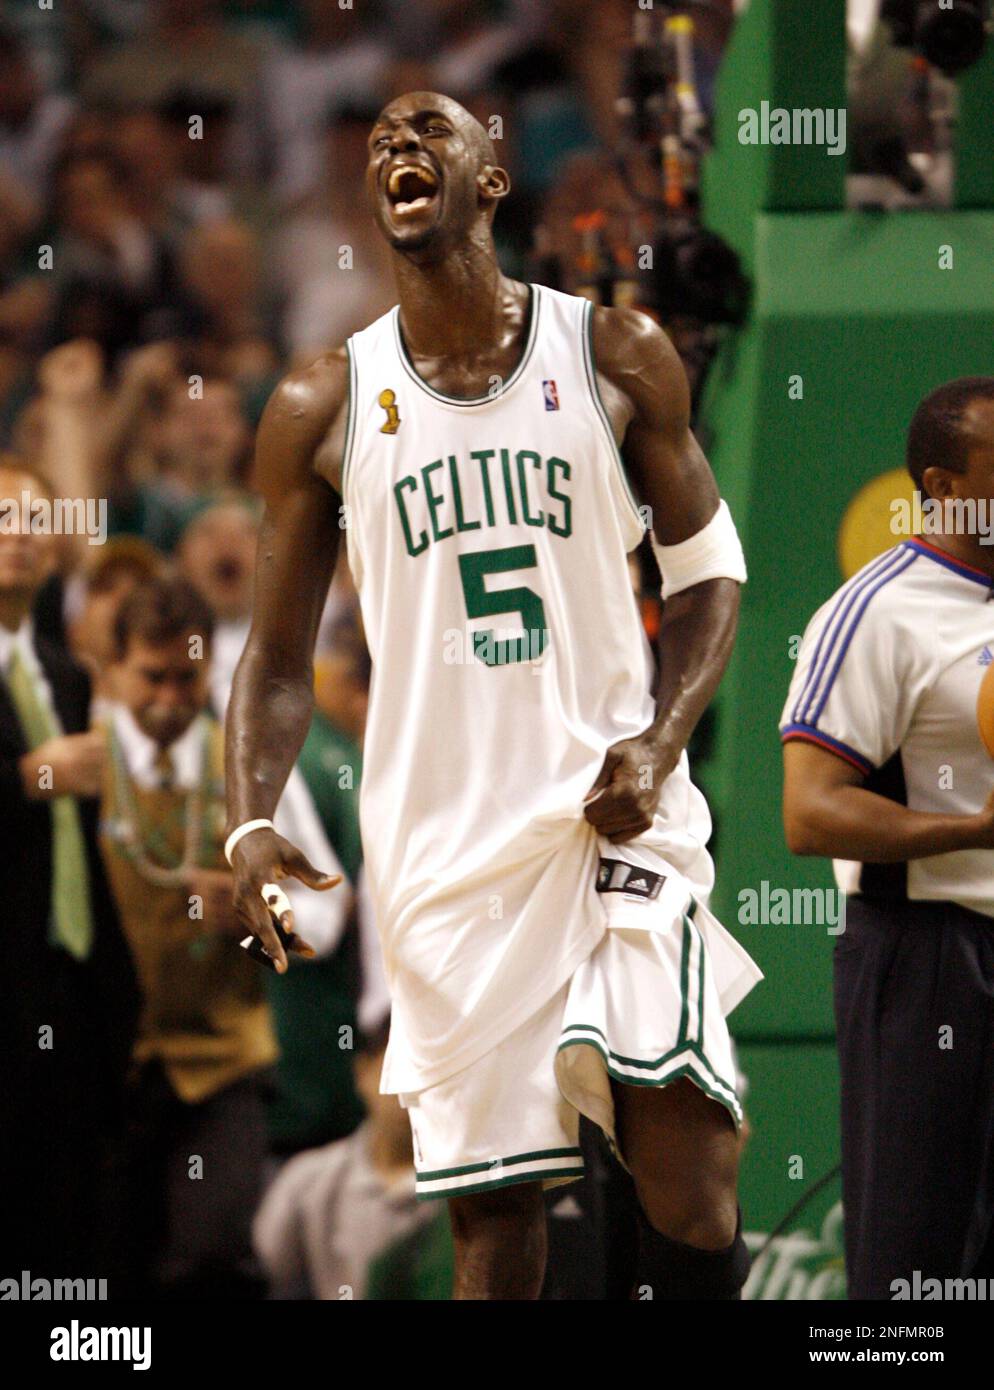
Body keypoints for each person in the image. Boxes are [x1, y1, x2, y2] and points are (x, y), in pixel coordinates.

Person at [225, 91, 760, 1301]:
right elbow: (268, 660)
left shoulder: (611, 352)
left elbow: (710, 572)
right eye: (380, 143)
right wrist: (251, 818)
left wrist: (659, 740)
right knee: (496, 1229)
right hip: (444, 861)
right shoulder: (323, 403)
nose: (400, 147)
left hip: (604, 816)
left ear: (492, 179)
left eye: (430, 129)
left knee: (687, 1168)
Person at [781, 377, 994, 1300]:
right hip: (931, 955)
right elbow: (811, 811)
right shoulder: (878, 610)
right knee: (913, 1268)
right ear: (946, 485)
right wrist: (980, 830)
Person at [98, 575, 291, 1298]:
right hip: (109, 1067)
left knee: (210, 1261)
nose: (172, 698)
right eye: (152, 678)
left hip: (224, 1062)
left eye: (188, 677)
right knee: (105, 1268)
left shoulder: (247, 766)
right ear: (111, 669)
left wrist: (256, 912)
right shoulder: (81, 766)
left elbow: (322, 923)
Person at [0, 454, 138, 1278]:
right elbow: (37, 782)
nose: (18, 535)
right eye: (0, 517)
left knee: (66, 1215)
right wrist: (27, 777)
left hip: (67, 978)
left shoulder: (61, 673)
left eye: (32, 519)